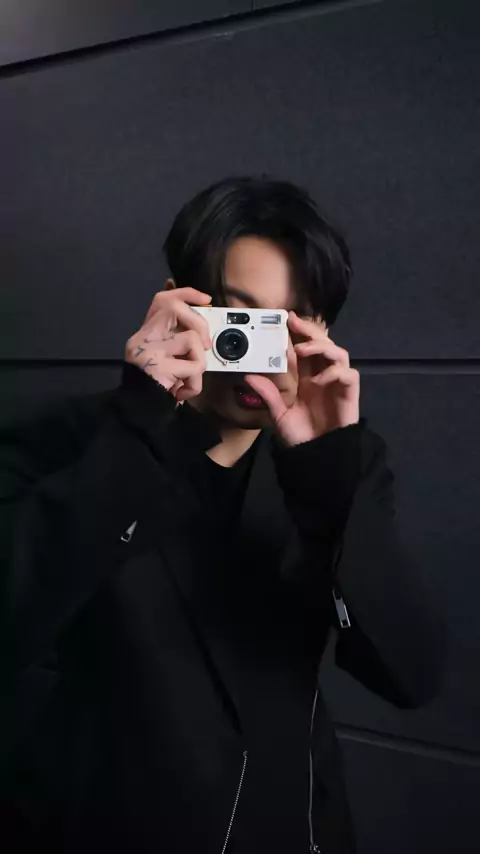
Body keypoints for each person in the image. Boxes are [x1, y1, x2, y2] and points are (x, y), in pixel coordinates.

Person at [1, 177, 444, 853]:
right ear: (178, 304)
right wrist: (141, 430)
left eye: (290, 323)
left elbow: (411, 675)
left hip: (289, 825)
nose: (260, 351)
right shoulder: (68, 442)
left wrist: (326, 478)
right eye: (241, 319)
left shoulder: (341, 462)